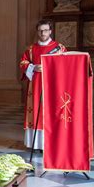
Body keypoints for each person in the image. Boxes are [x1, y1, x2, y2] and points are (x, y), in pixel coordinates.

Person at [19, 19, 67, 150]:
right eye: (40, 30)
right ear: (37, 32)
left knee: (52, 112)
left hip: (53, 86)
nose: (42, 33)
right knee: (35, 112)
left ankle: (52, 143)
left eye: (45, 30)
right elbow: (23, 63)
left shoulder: (59, 48)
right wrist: (33, 67)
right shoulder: (31, 49)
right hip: (35, 87)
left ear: (50, 31)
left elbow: (65, 65)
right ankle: (36, 144)